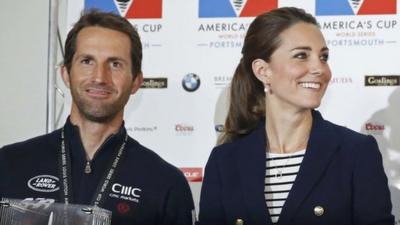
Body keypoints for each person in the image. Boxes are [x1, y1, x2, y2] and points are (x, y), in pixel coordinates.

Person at [198, 7, 394, 225]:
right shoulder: (224, 161)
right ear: (263, 71)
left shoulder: (356, 152)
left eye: (323, 57)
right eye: (301, 55)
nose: (319, 68)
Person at [0, 10, 195, 225]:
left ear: (136, 82)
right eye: (87, 61)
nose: (100, 77)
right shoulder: (9, 165)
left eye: (115, 64)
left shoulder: (166, 184)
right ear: (66, 74)